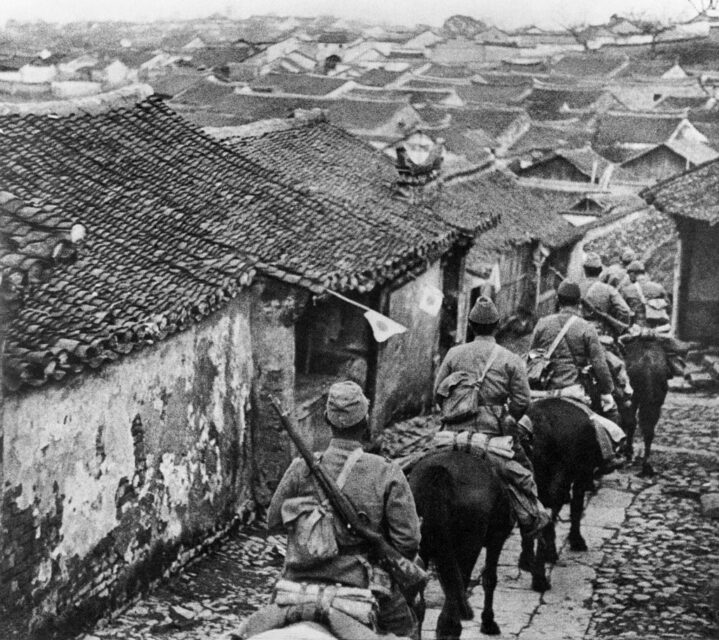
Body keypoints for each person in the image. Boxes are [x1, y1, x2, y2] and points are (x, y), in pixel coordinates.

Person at [262, 381, 421, 640]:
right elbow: (409, 542)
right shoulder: (386, 471)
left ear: (326, 419)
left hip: (299, 575)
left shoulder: (299, 468)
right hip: (360, 579)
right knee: (406, 628)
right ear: (366, 421)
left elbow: (273, 521)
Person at [434, 296, 550, 537]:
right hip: (493, 433)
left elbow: (438, 392)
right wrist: (508, 417)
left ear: (471, 325)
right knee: (523, 471)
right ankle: (531, 514)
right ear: (497, 325)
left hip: (452, 432)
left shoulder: (455, 354)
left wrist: (456, 409)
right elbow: (522, 401)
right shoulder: (511, 359)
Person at [529, 281, 626, 474]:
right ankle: (607, 457)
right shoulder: (586, 328)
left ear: (558, 300)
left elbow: (532, 358)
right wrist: (608, 391)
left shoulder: (542, 324)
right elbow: (600, 365)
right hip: (576, 391)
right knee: (612, 413)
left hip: (543, 391)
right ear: (579, 303)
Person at [580, 252, 633, 407]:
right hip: (601, 337)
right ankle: (623, 396)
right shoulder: (609, 290)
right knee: (619, 366)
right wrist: (615, 329)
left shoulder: (573, 288)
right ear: (600, 270)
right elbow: (625, 311)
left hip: (573, 334)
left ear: (584, 269)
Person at [620, 261, 685, 377]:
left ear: (633, 274)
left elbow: (621, 312)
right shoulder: (658, 287)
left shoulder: (626, 290)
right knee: (670, 351)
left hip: (635, 331)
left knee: (619, 352)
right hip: (656, 330)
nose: (629, 278)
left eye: (629, 275)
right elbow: (668, 309)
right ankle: (675, 368)